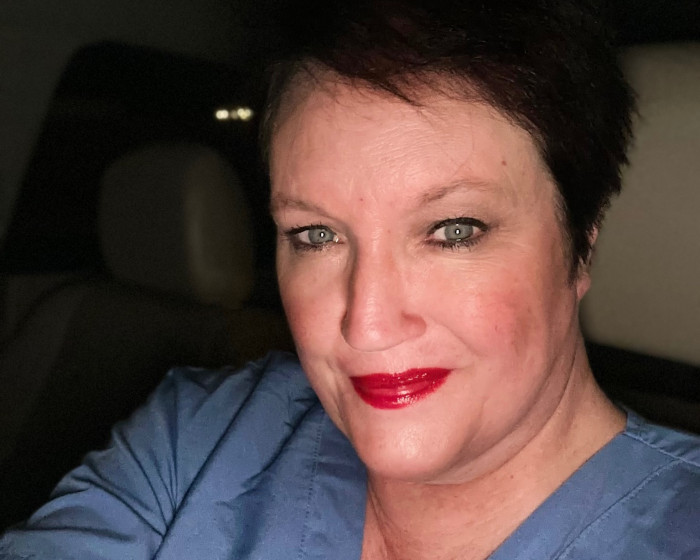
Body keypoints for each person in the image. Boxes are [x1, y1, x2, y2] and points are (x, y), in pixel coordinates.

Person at [1, 1, 699, 558]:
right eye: (317, 235)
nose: (366, 323)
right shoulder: (200, 434)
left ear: (581, 244)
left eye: (453, 230)